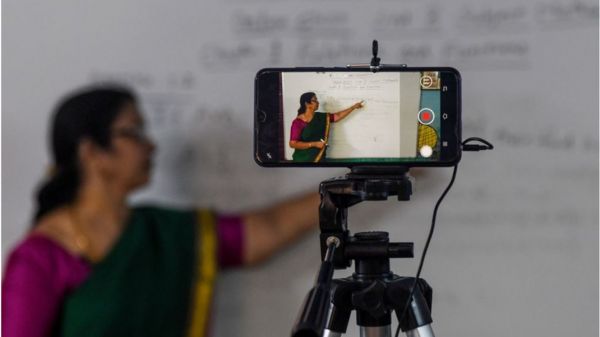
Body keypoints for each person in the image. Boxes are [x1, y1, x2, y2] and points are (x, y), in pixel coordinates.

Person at [1, 86, 320, 337]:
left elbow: (266, 230)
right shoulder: (41, 257)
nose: (150, 146)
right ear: (92, 152)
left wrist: (342, 190)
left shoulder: (167, 233)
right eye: (133, 132)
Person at [289, 92, 363, 162]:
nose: (318, 102)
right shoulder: (298, 122)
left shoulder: (322, 117)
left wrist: (353, 107)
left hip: (319, 158)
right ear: (307, 103)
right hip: (302, 160)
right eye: (314, 100)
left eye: (317, 100)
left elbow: (338, 116)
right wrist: (314, 144)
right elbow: (293, 144)